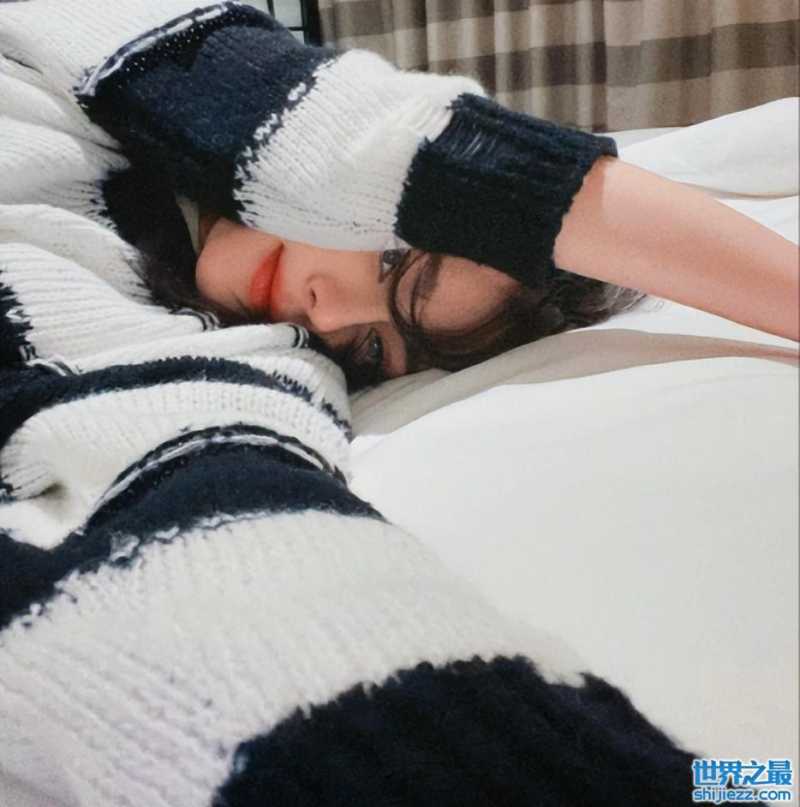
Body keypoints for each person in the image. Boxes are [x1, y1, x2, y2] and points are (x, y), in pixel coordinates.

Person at [0, 1, 790, 805]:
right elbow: (378, 140)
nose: (331, 316)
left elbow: (239, 529)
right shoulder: (120, 51)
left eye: (375, 349)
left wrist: (753, 785)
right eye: (387, 257)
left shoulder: (238, 357)